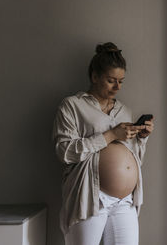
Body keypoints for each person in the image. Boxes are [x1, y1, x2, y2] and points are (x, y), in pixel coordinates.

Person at [52, 42, 154, 245]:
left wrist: (141, 139)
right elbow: (65, 152)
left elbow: (134, 159)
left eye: (121, 81)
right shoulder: (72, 106)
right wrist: (111, 135)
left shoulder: (123, 110)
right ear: (94, 76)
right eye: (111, 80)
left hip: (125, 201)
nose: (117, 87)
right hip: (90, 196)